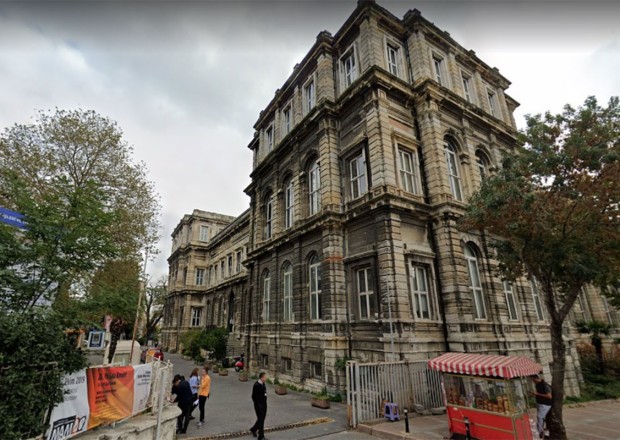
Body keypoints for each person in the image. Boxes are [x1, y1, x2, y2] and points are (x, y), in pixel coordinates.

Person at [531, 374, 552, 439]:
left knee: (540, 417)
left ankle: (539, 431)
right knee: (540, 417)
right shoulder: (537, 384)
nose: (533, 381)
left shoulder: (545, 385)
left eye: (533, 380)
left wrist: (537, 394)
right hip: (540, 403)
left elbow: (549, 396)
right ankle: (541, 429)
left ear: (536, 378)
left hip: (545, 404)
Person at [250, 371, 268, 440]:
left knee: (261, 419)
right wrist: (258, 404)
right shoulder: (256, 385)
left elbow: (264, 393)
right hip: (259, 405)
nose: (266, 378)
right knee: (261, 420)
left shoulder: (263, 383)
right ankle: (261, 436)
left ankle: (253, 429)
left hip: (264, 404)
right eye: (265, 377)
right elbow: (253, 396)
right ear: (262, 377)